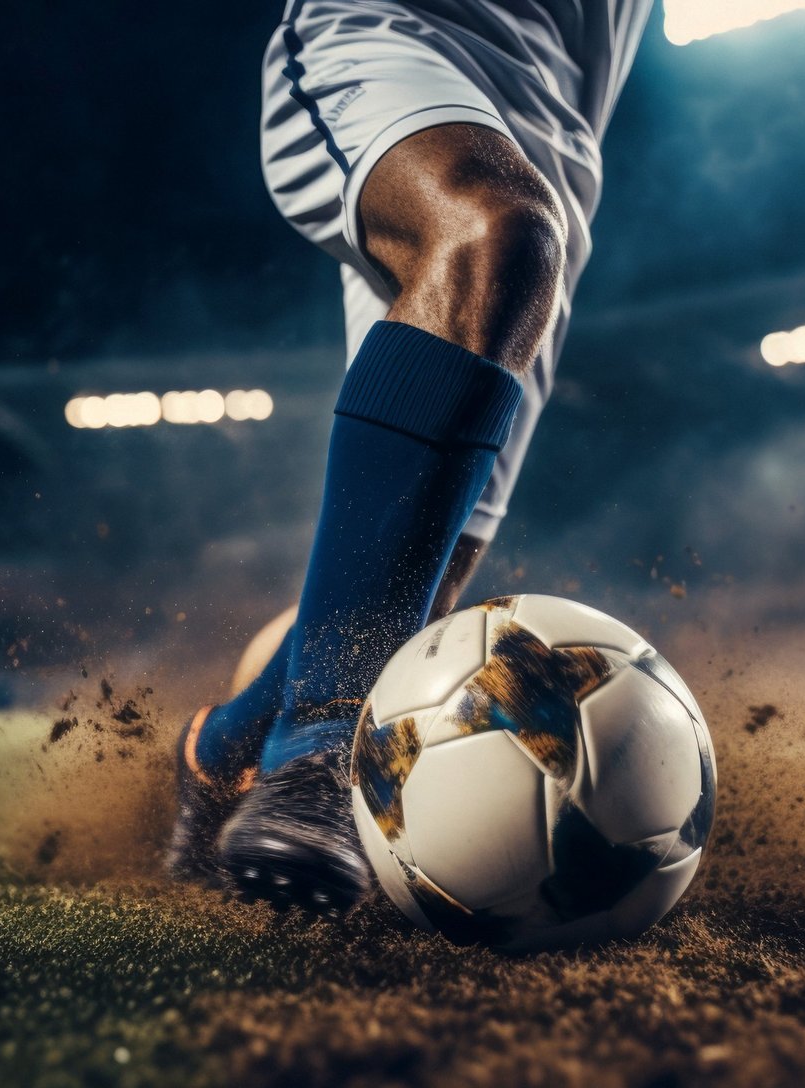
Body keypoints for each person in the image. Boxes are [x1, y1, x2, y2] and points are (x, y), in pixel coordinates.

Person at [169, 0, 653, 914]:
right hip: (402, 30)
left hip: (556, 132)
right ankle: (317, 750)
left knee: (418, 586)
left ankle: (219, 750)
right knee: (489, 232)